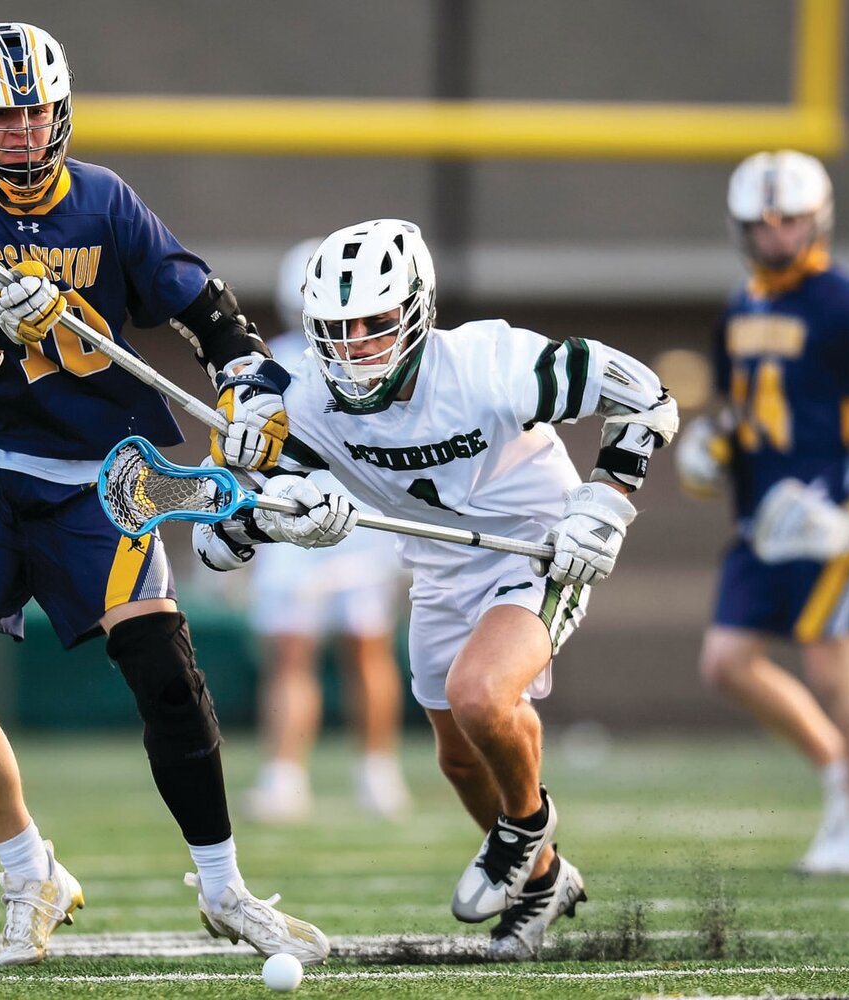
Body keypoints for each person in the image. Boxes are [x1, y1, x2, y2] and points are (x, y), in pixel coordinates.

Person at [0, 21, 327, 967]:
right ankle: (27, 869)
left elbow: (212, 315)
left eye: (37, 109)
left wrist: (249, 393)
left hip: (98, 479)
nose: (26, 131)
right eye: (3, 115)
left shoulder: (105, 202)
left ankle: (225, 890)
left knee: (162, 666)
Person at [195, 219, 679, 960]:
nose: (355, 345)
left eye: (375, 323)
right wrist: (260, 524)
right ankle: (547, 881)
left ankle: (523, 827)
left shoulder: (489, 363)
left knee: (481, 693)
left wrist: (607, 501)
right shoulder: (308, 400)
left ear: (418, 310)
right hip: (440, 565)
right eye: (337, 328)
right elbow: (267, 506)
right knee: (458, 758)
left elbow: (645, 395)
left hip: (538, 546)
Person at [678, 150, 849, 875]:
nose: (778, 233)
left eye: (791, 220)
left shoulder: (842, 300)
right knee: (725, 663)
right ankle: (846, 771)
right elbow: (737, 407)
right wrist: (711, 445)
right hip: (766, 521)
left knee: (832, 669)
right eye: (764, 221)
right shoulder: (743, 304)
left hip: (833, 516)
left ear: (816, 221)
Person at [241, 240, 412, 824]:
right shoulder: (279, 364)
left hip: (359, 521)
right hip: (293, 518)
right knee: (292, 650)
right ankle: (286, 775)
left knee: (366, 647)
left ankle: (377, 769)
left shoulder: (382, 363)